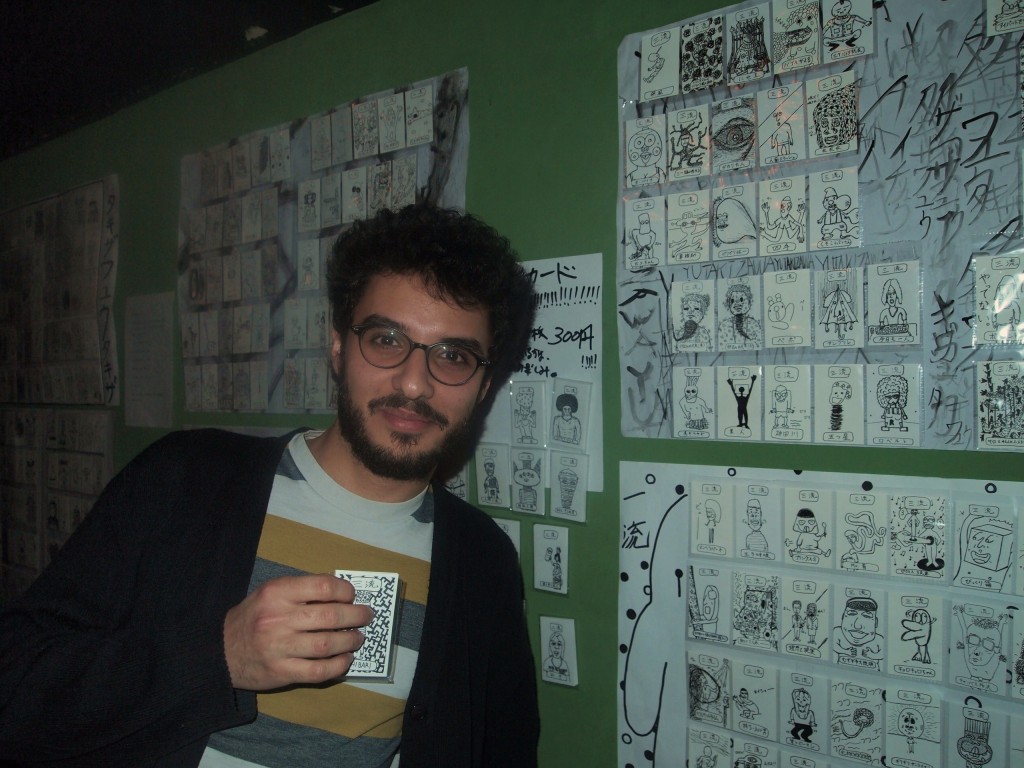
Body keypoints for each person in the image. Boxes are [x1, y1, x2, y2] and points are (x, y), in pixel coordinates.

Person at [0, 203, 540, 767]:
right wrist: (220, 656)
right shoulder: (185, 479)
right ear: (338, 347)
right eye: (386, 339)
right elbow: (15, 682)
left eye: (453, 355)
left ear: (483, 387)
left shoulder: (483, 563)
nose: (414, 383)